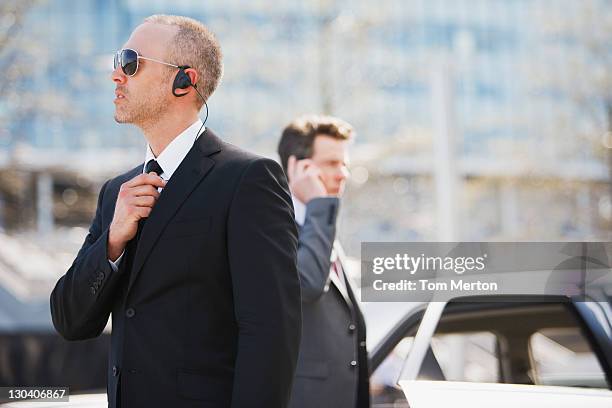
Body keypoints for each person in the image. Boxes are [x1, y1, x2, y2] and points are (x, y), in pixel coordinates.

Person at [50, 15, 301, 408]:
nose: (117, 75)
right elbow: (70, 321)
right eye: (117, 61)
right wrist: (113, 241)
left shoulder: (248, 179)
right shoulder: (116, 192)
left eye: (131, 61)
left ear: (185, 81)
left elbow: (270, 333)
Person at [278, 115, 370, 408]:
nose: (342, 173)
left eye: (344, 164)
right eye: (331, 163)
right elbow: (306, 284)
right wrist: (320, 207)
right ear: (299, 166)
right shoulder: (275, 228)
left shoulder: (322, 225)